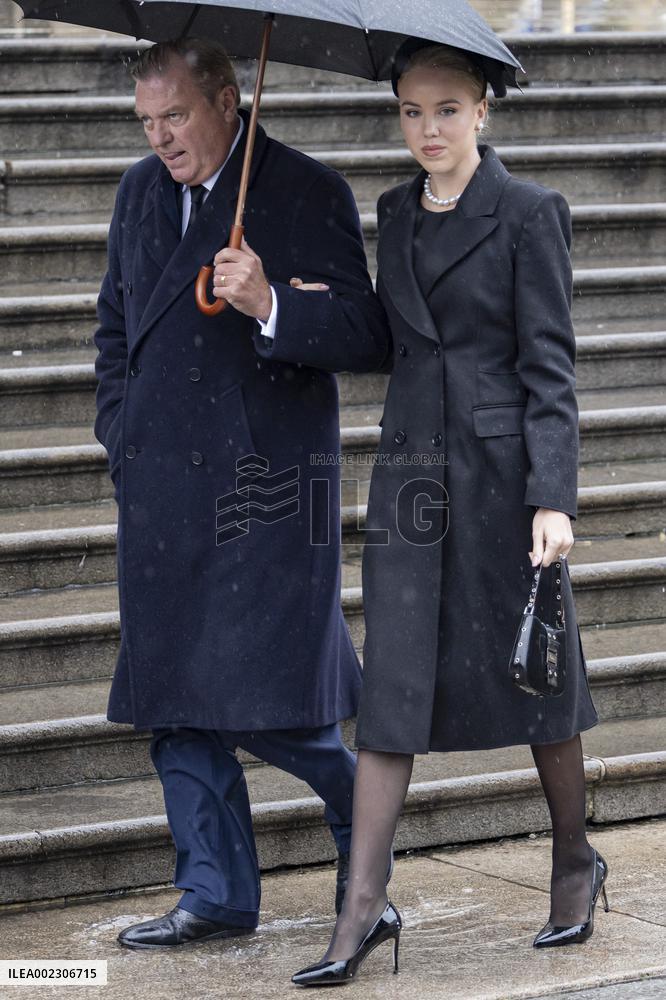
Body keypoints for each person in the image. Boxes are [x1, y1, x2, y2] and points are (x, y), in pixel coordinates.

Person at [292, 40, 606, 987]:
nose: (427, 129)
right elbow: (391, 341)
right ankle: (361, 910)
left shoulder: (527, 213)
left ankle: (573, 860)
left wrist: (554, 496)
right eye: (411, 112)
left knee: (538, 678)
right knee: (389, 693)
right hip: (410, 479)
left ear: (483, 111)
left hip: (503, 482)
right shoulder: (392, 213)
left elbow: (551, 367)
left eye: (446, 109)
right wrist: (293, 307)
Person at [93, 37, 389, 949]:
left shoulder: (305, 190)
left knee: (282, 713)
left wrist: (269, 303)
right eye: (146, 122)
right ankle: (215, 894)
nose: (161, 140)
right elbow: (114, 323)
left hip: (259, 495)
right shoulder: (141, 191)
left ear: (228, 98)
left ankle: (365, 881)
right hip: (158, 492)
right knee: (174, 707)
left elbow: (366, 333)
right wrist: (120, 427)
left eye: (174, 116)